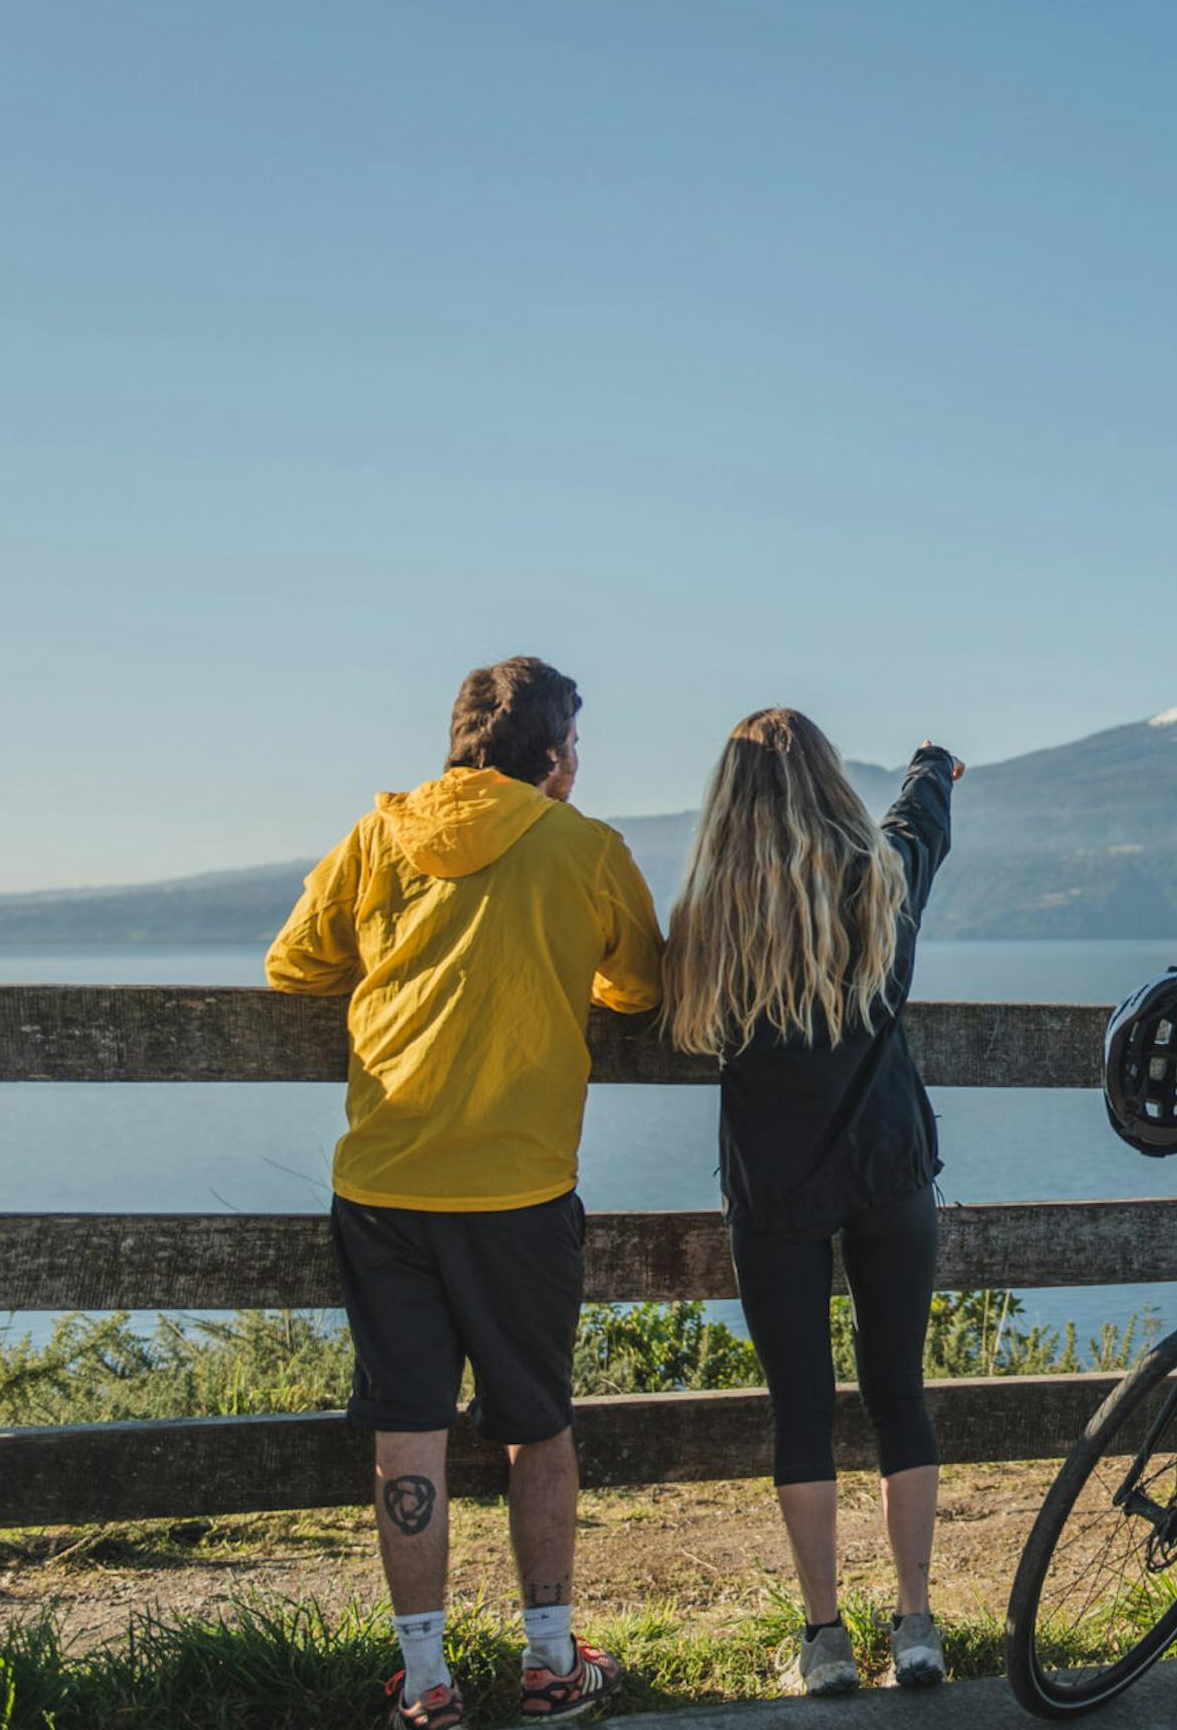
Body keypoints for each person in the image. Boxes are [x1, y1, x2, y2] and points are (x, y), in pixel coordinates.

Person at [267, 656, 663, 1729]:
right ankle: (547, 1663)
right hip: (521, 1190)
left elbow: (294, 965)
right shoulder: (585, 849)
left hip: (385, 1183)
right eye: (574, 744)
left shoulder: (377, 835)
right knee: (537, 1427)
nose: (578, 762)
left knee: (409, 1430)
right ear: (551, 757)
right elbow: (640, 986)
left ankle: (429, 1683)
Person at [658, 710, 959, 1696]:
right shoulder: (882, 880)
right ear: (831, 781)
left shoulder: (714, 915)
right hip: (889, 1167)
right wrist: (930, 765)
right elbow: (922, 823)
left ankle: (824, 1639)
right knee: (897, 1392)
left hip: (775, 1184)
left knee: (802, 1408)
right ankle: (916, 1626)